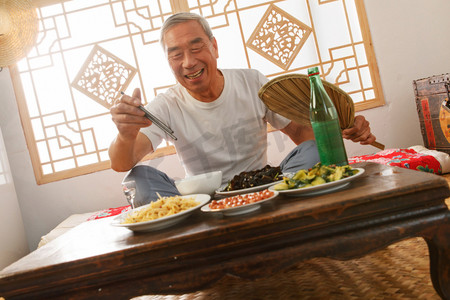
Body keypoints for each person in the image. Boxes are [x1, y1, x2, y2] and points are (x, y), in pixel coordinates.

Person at [109, 12, 376, 207]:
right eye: (176, 54)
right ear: (169, 61)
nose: (188, 62)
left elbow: (302, 137)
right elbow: (121, 163)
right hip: (201, 202)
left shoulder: (252, 82)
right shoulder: (166, 104)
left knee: (314, 150)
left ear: (214, 46)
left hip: (265, 187)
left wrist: (339, 128)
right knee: (138, 178)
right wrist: (125, 134)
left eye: (196, 46)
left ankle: (286, 203)